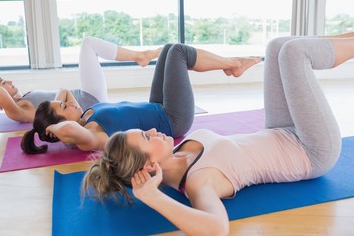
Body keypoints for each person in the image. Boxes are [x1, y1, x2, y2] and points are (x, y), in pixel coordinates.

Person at [81, 30, 354, 236]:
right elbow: (216, 230)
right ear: (147, 166)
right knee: (294, 53)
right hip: (311, 150)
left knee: (276, 47)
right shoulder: (200, 182)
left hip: (280, 129)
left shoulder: (177, 150)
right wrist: (151, 196)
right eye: (146, 135)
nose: (153, 130)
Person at [21, 42, 261, 154]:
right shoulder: (90, 136)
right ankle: (235, 64)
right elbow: (69, 130)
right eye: (64, 107)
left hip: (156, 105)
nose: (70, 100)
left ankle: (234, 63)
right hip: (172, 119)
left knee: (168, 49)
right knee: (179, 52)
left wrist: (58, 106)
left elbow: (64, 90)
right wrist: (51, 127)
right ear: (62, 125)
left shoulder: (86, 113)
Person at [0, 37, 161, 123]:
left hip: (86, 96)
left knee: (89, 44)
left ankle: (141, 56)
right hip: (90, 100)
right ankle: (141, 56)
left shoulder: (23, 100)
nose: (9, 82)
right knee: (89, 43)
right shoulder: (17, 111)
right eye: (2, 82)